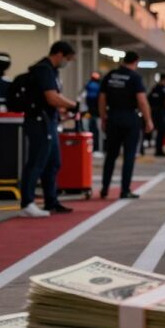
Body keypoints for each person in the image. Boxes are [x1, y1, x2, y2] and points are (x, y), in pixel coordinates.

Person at [19, 41, 80, 217]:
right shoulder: (43, 70)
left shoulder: (52, 71)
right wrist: (73, 105)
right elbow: (52, 98)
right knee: (37, 162)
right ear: (59, 54)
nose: (67, 62)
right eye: (67, 58)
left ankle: (51, 201)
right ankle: (27, 203)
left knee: (53, 163)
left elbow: (52, 100)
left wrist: (63, 111)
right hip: (39, 121)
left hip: (49, 120)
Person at [98, 51, 153, 199]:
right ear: (136, 61)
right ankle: (124, 190)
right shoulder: (135, 78)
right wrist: (148, 120)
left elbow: (102, 99)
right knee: (129, 156)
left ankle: (104, 188)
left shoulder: (110, 75)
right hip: (130, 117)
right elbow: (141, 100)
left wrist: (103, 118)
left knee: (110, 155)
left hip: (113, 117)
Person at [147, 73, 165, 156]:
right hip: (162, 113)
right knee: (162, 132)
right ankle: (159, 150)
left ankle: (149, 148)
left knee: (153, 131)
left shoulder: (154, 89)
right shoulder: (164, 90)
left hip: (153, 113)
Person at [83, 72, 102, 151]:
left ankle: (93, 148)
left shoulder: (88, 85)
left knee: (89, 130)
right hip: (95, 113)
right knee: (96, 131)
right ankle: (97, 149)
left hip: (90, 112)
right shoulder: (99, 86)